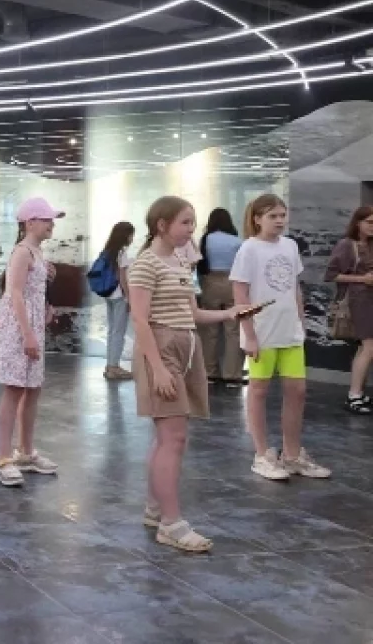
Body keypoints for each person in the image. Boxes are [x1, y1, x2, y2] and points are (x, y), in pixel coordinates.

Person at [128, 196, 253, 553]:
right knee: (173, 437)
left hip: (186, 346)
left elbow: (193, 314)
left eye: (192, 222)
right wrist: (157, 368)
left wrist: (231, 313)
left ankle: (156, 509)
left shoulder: (181, 261)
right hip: (162, 349)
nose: (191, 230)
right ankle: (172, 523)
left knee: (168, 438)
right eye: (184, 222)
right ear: (161, 225)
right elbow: (140, 320)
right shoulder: (145, 264)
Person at [231, 194, 330, 481]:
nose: (279, 221)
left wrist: (301, 321)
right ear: (257, 219)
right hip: (262, 332)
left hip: (290, 333)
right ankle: (262, 455)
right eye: (272, 216)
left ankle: (292, 455)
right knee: (258, 391)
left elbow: (294, 287)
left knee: (297, 391)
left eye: (282, 215)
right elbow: (240, 294)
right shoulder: (248, 249)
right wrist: (249, 335)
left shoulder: (290, 246)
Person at [0, 197, 63, 488]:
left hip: (30, 325)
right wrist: (28, 333)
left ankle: (26, 452)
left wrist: (45, 304)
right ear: (30, 222)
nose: (51, 224)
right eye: (46, 220)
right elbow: (14, 293)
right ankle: (3, 458)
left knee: (32, 389)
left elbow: (31, 287)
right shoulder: (22, 252)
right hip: (19, 328)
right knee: (15, 389)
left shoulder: (36, 252)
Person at [325, 205, 373, 414]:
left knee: (365, 348)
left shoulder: (370, 244)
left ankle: (357, 393)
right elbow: (331, 275)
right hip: (358, 301)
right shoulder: (346, 245)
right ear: (358, 223)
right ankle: (354, 394)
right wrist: (362, 279)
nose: (372, 226)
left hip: (368, 300)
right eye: (369, 222)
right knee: (369, 347)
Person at [197, 208, 244, 386]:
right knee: (233, 330)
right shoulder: (237, 241)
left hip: (209, 283)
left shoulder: (205, 240)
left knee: (210, 330)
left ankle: (210, 372)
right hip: (232, 282)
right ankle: (232, 373)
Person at [99, 221, 135, 380]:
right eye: (131, 234)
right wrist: (129, 297)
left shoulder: (107, 251)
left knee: (112, 331)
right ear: (125, 235)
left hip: (108, 294)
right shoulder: (121, 253)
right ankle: (114, 367)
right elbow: (123, 279)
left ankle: (110, 365)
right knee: (118, 332)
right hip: (119, 296)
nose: (132, 238)